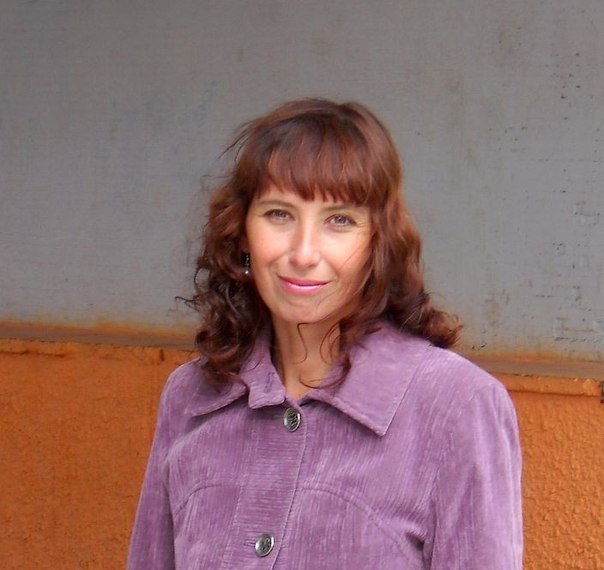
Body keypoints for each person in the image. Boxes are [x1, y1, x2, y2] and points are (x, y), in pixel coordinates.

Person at [128, 99, 523, 569]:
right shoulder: (191, 395)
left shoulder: (457, 405)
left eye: (339, 220)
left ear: (377, 242)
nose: (303, 253)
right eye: (279, 214)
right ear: (242, 233)